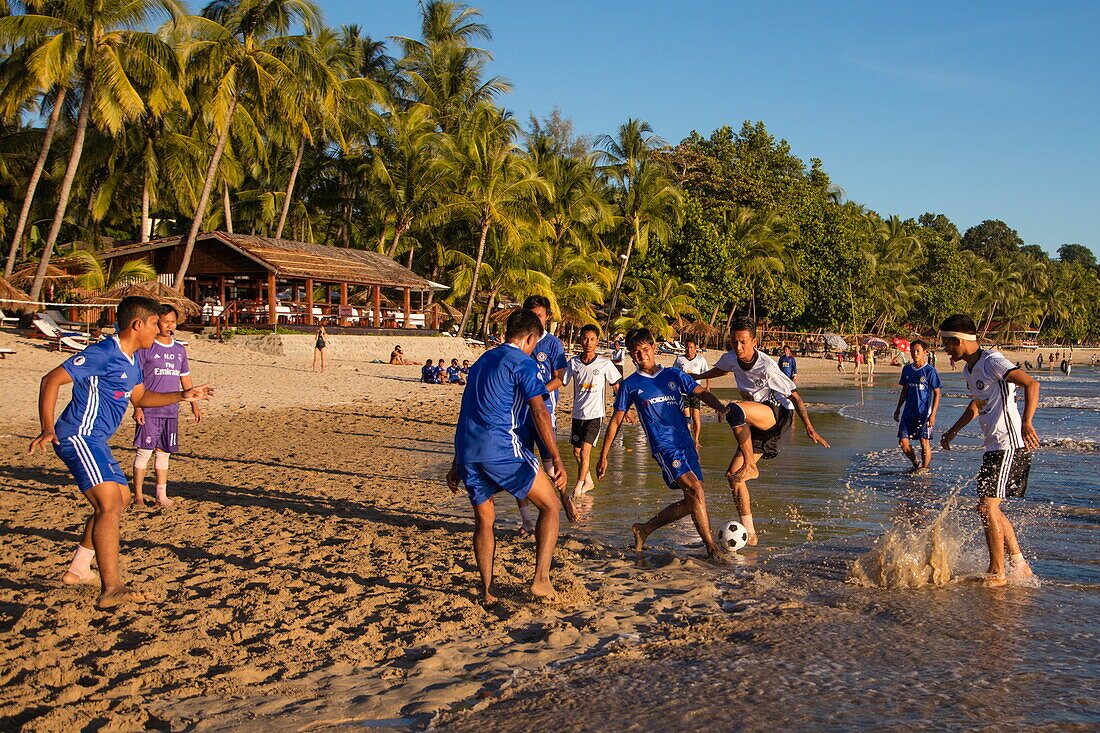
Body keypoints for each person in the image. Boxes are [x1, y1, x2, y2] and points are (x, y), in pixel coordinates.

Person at [28, 296, 213, 608]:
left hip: (97, 440)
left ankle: (78, 570)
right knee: (110, 505)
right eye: (156, 324)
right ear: (137, 325)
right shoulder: (103, 352)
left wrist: (183, 395)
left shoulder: (132, 360)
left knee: (122, 499)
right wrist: (48, 426)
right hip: (78, 436)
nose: (160, 330)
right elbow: (51, 379)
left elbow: (140, 397)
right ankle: (111, 587)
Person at [446, 309, 566, 604]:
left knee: (485, 520)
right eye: (534, 343)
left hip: (468, 450)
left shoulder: (481, 361)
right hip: (501, 448)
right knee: (550, 506)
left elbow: (466, 411)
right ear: (528, 338)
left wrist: (456, 462)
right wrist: (556, 457)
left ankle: (487, 591)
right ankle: (540, 580)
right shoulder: (522, 363)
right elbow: (539, 411)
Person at [595, 328, 732, 562]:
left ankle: (644, 529)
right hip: (664, 447)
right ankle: (711, 548)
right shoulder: (630, 385)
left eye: (645, 350)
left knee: (694, 501)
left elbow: (700, 392)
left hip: (686, 443)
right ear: (631, 355)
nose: (641, 356)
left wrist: (719, 406)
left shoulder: (674, 375)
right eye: (636, 353)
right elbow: (616, 420)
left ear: (654, 348)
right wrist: (603, 456)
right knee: (696, 491)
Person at [693, 318, 831, 546]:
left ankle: (751, 465)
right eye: (734, 342)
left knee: (734, 410)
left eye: (743, 342)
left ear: (754, 342)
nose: (738, 348)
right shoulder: (731, 357)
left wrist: (809, 427)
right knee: (733, 478)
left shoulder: (767, 367)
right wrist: (697, 377)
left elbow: (795, 396)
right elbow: (720, 370)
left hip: (777, 414)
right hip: (756, 421)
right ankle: (751, 533)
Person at [939, 314, 1040, 587]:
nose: (945, 349)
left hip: (1009, 445)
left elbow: (1031, 383)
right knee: (989, 508)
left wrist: (1027, 423)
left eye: (947, 343)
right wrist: (954, 430)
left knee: (986, 507)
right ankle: (1019, 564)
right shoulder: (969, 370)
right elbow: (976, 405)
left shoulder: (992, 361)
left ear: (959, 341)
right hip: (993, 447)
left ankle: (997, 571)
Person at [132, 305, 200, 507]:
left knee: (164, 452)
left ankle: (161, 495)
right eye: (165, 321)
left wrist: (194, 405)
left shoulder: (179, 349)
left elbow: (185, 380)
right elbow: (136, 380)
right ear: (156, 323)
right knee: (144, 451)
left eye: (173, 321)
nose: (169, 325)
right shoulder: (146, 348)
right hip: (149, 409)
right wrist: (137, 407)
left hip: (171, 410)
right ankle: (138, 495)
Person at [518, 295, 571, 530]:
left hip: (545, 410)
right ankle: (526, 520)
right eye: (531, 315)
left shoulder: (553, 344)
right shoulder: (518, 341)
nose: (535, 319)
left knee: (550, 464)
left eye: (539, 315)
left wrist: (536, 392)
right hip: (519, 412)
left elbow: (560, 379)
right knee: (521, 463)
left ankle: (565, 498)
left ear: (547, 317)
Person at [562, 324, 621, 498]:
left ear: (597, 342)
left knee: (586, 451)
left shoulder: (605, 363)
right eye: (585, 338)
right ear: (581, 340)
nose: (588, 342)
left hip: (595, 415)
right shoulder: (573, 362)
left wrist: (625, 408)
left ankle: (578, 489)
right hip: (577, 414)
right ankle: (588, 480)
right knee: (576, 452)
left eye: (592, 339)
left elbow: (617, 386)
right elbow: (561, 381)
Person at [892, 340, 942, 473]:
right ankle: (915, 464)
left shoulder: (930, 371)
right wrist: (898, 409)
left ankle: (924, 471)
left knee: (924, 442)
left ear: (925, 352)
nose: (915, 353)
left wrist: (933, 414)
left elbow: (937, 393)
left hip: (924, 413)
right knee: (903, 442)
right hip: (908, 412)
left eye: (918, 351)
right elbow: (904, 390)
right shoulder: (907, 369)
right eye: (913, 350)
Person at [672, 337, 709, 448]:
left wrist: (707, 387)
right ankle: (688, 439)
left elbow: (707, 374)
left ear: (696, 348)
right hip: (683, 392)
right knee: (686, 417)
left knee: (696, 417)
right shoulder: (680, 359)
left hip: (696, 391)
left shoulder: (701, 360)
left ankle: (696, 440)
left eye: (691, 347)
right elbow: (674, 373)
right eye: (687, 347)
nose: (689, 350)